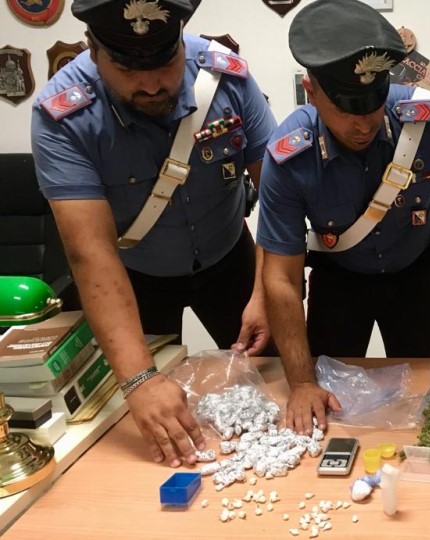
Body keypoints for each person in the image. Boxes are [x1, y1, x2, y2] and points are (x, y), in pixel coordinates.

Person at [31, 0, 278, 467]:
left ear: (181, 41)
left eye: (165, 63)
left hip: (232, 259)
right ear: (93, 50)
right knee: (141, 415)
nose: (150, 84)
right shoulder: (63, 115)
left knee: (274, 381)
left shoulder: (226, 79)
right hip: (131, 279)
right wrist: (140, 381)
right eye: (127, 69)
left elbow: (280, 198)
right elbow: (90, 252)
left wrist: (266, 291)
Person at [257, 0, 430, 435]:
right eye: (346, 109)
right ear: (311, 90)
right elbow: (280, 276)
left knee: (428, 400)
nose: (363, 125)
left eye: (372, 104)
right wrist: (300, 382)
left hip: (414, 275)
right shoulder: (289, 155)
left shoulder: (427, 122)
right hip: (338, 278)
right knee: (329, 407)